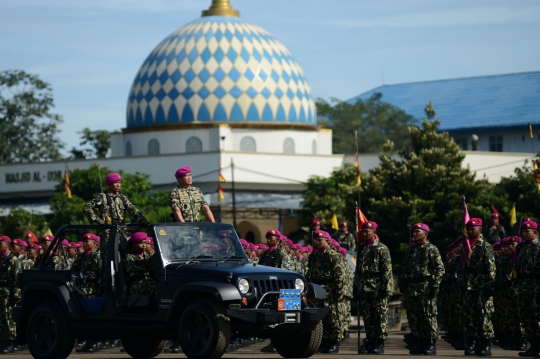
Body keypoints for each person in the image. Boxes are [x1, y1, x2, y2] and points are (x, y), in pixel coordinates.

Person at [400, 223, 444, 355]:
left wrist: (435, 285)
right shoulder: (411, 249)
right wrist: (404, 282)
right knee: (414, 316)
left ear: (425, 233)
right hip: (412, 286)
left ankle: (430, 342)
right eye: (413, 231)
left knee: (428, 316)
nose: (414, 234)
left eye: (417, 231)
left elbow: (439, 269)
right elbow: (405, 267)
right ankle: (419, 341)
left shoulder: (431, 249)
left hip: (426, 286)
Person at [354, 221, 393, 355]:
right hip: (364, 287)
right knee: (368, 317)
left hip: (377, 287)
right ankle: (370, 339)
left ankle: (379, 342)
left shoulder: (382, 248)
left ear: (374, 232)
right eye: (363, 231)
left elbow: (387, 270)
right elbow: (358, 269)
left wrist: (386, 288)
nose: (364, 234)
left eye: (367, 231)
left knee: (380, 316)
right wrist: (356, 286)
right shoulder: (362, 248)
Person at [460, 218, 495, 356]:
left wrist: (489, 286)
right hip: (469, 286)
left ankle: (485, 344)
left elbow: (491, 269)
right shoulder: (466, 246)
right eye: (468, 229)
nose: (470, 231)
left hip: (482, 286)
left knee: (484, 316)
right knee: (471, 316)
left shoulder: (486, 246)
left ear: (480, 230)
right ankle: (474, 342)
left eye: (473, 228)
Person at [305, 230, 345, 353]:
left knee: (333, 318)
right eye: (315, 240)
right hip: (317, 291)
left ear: (327, 241)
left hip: (330, 290)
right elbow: (309, 273)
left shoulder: (333, 255)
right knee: (320, 319)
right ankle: (323, 341)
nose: (316, 242)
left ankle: (334, 342)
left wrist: (338, 292)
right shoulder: (313, 256)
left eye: (319, 240)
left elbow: (339, 275)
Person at [515, 219, 540, 357]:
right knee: (526, 318)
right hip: (523, 286)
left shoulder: (538, 248)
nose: (524, 233)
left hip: (535, 286)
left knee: (537, 318)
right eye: (523, 231)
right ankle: (533, 346)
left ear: (534, 233)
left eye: (527, 231)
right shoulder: (520, 247)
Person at [123, 232, 157, 300]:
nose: (144, 245)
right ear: (133, 244)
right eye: (141, 243)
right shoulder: (129, 257)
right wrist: (146, 267)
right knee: (155, 286)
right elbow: (133, 272)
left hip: (149, 280)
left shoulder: (147, 255)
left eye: (145, 242)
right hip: (136, 284)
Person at [0, 236, 17, 354]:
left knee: (8, 318)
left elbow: (16, 279)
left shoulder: (12, 259)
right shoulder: (1, 259)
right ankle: (3, 341)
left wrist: (15, 295)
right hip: (1, 292)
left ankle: (11, 342)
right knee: (1, 318)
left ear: (7, 245)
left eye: (1, 243)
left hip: (8, 293)